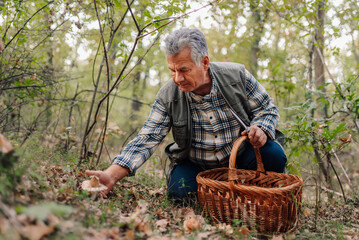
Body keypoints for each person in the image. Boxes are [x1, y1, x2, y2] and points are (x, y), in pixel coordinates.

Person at [86, 28, 287, 199]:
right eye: (172, 70)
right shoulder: (168, 95)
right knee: (179, 192)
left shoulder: (237, 76)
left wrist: (261, 128)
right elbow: (148, 137)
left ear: (205, 63)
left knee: (273, 154)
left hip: (242, 157)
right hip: (197, 165)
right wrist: (111, 175)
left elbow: (267, 109)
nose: (177, 78)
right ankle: (217, 196)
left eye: (183, 69)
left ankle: (256, 197)